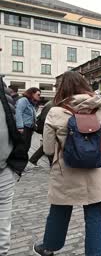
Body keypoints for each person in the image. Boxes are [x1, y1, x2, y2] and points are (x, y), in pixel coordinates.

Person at [33, 71, 101, 256]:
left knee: (59, 209)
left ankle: (49, 247)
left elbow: (48, 149)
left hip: (67, 171)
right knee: (94, 216)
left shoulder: (55, 112)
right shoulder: (98, 108)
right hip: (96, 169)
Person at [0, 79, 28, 255]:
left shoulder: (3, 89)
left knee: (4, 226)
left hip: (5, 169)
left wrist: (14, 168)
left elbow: (12, 118)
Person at [15, 87, 41, 154]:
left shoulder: (31, 103)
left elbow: (32, 116)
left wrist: (34, 125)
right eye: (38, 94)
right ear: (32, 94)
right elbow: (18, 112)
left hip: (29, 129)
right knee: (22, 147)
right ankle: (18, 162)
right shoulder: (23, 100)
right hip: (23, 128)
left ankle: (22, 162)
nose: (39, 97)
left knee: (26, 146)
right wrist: (20, 127)